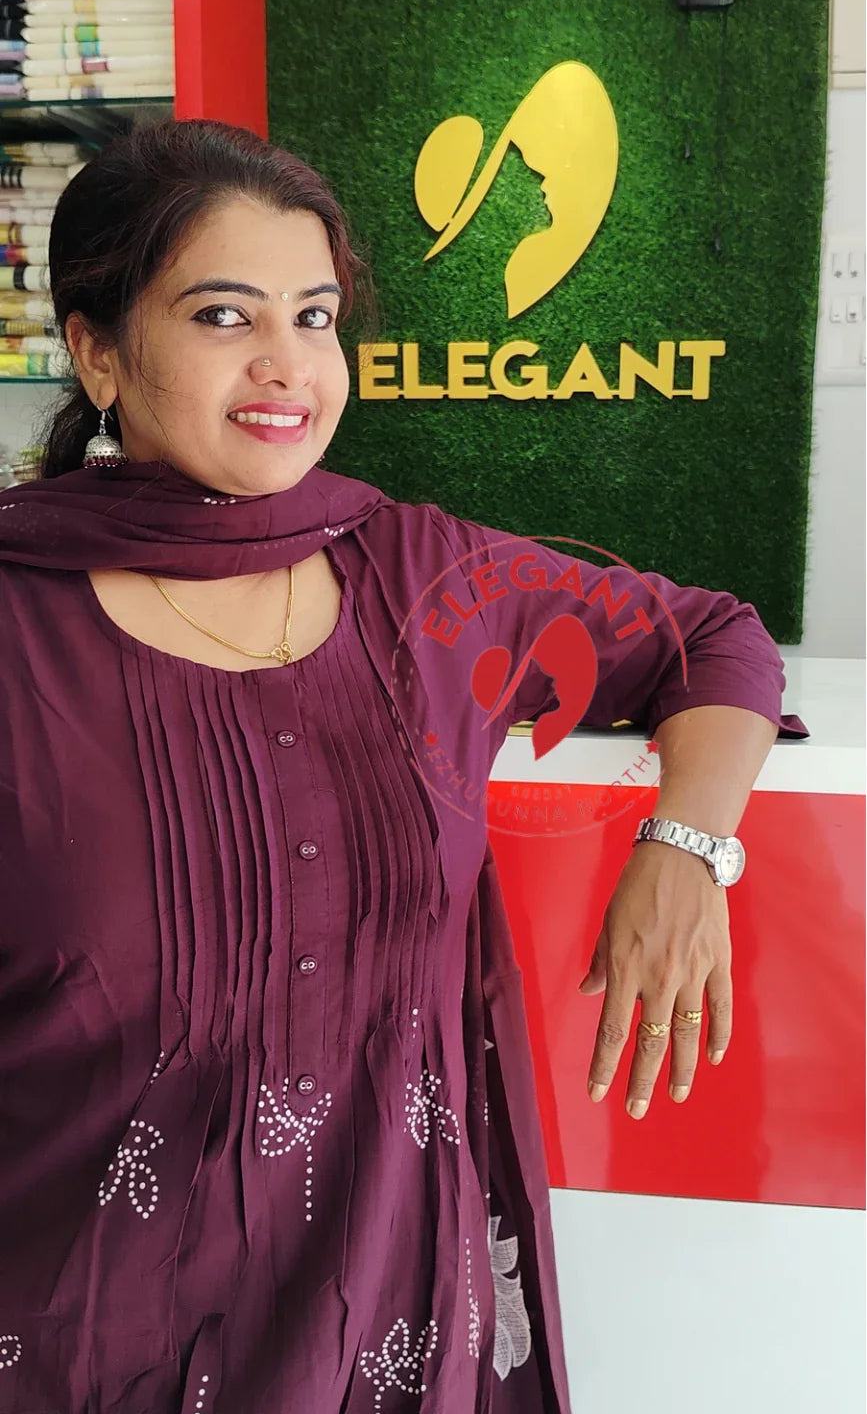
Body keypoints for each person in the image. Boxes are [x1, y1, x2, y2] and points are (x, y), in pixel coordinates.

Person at [0, 118, 808, 1413]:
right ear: (97, 348)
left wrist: (689, 847)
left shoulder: (425, 579)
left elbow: (711, 637)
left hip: (390, 1347)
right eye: (223, 316)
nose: (287, 366)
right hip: (80, 1348)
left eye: (314, 317)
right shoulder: (20, 618)